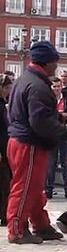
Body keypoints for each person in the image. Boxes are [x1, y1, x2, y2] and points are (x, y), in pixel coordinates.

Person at [7, 41, 67, 244]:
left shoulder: (24, 80)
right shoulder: (38, 86)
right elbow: (40, 123)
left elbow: (28, 113)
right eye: (54, 60)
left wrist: (56, 116)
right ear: (47, 62)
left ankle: (41, 225)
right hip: (30, 144)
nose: (56, 64)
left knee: (34, 187)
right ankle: (16, 230)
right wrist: (65, 132)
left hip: (19, 140)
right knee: (25, 187)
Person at [45, 77, 67, 199]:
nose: (57, 89)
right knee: (50, 163)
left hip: (64, 133)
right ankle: (49, 190)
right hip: (51, 134)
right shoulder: (47, 99)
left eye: (58, 86)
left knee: (66, 163)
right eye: (54, 86)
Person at [0, 74, 13, 226]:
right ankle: (3, 215)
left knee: (5, 182)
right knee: (3, 183)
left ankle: (4, 214)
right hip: (1, 149)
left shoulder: (4, 104)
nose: (9, 91)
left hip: (5, 148)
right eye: (7, 88)